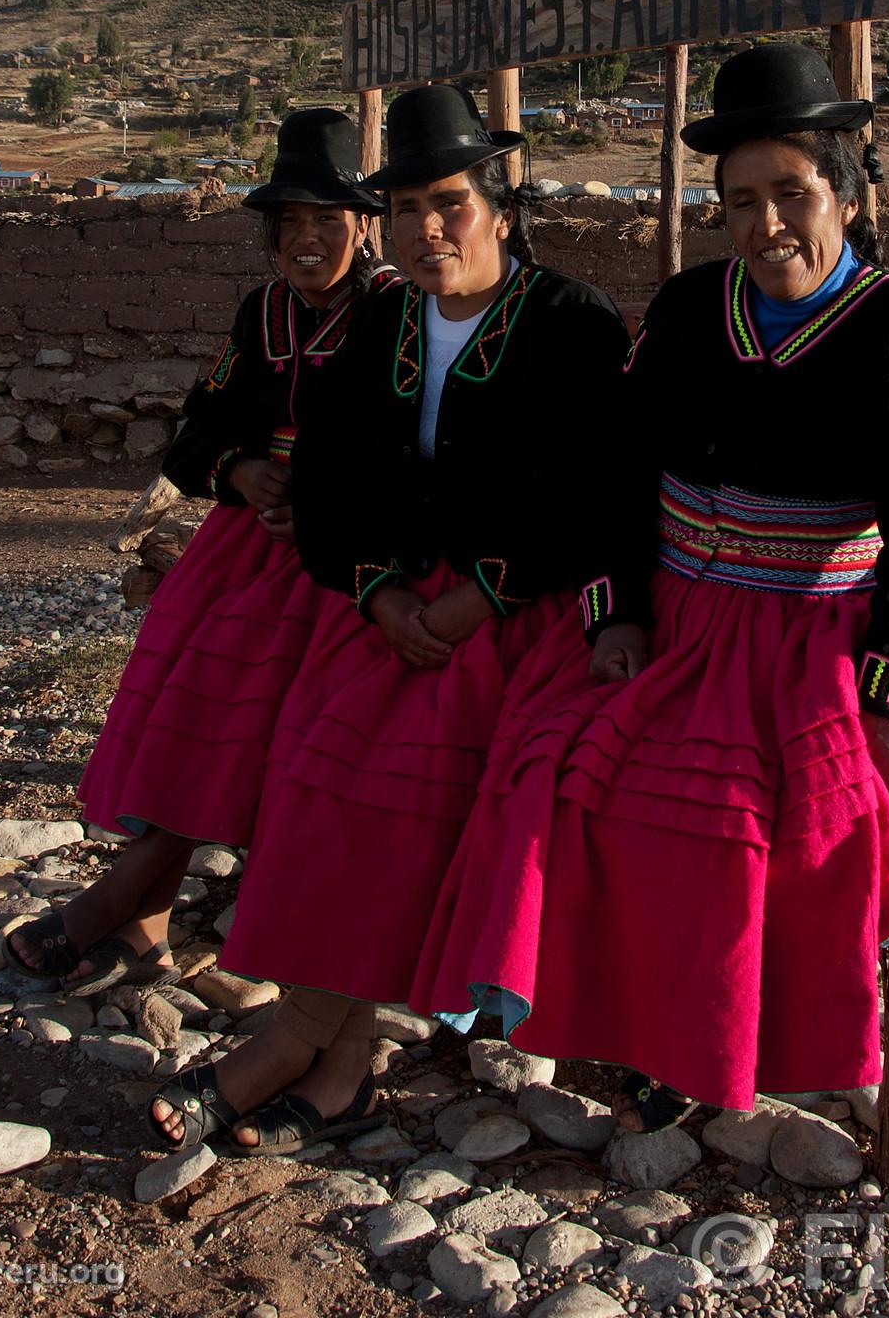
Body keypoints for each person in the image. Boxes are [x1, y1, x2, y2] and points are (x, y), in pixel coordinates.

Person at [414, 44, 889, 1126]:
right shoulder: (688, 311)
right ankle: (601, 1015)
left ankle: (714, 1042)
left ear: (849, 194)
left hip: (808, 638)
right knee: (552, 764)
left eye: (793, 193)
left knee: (724, 816)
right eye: (741, 201)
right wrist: (618, 612)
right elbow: (611, 469)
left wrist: (886, 702)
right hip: (674, 617)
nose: (768, 224)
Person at [148, 83, 629, 1156]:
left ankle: (296, 1040)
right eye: (406, 208)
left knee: (397, 795)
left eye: (448, 204)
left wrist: (470, 599)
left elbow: (591, 494)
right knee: (320, 782)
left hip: (522, 612)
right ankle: (343, 1072)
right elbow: (328, 478)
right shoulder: (384, 322)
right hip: (396, 604)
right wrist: (378, 590)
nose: (426, 229)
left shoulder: (568, 321)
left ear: (499, 208)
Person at [5, 110, 392, 994]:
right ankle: (142, 924)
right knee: (188, 711)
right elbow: (193, 435)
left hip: (338, 561)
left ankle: (117, 905)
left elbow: (409, 444)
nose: (304, 241)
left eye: (325, 221)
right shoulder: (259, 315)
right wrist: (242, 468)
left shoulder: (397, 315)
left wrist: (329, 500)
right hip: (245, 548)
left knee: (239, 724)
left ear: (363, 225)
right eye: (287, 223)